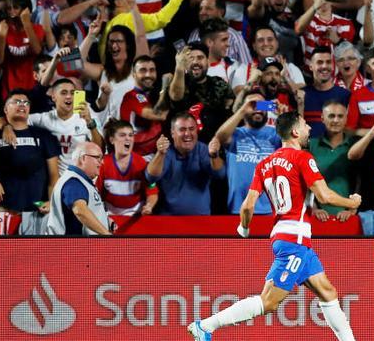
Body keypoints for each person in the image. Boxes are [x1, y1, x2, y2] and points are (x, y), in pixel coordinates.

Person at [187, 111, 361, 341]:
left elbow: (247, 206)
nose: (309, 129)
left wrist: (244, 229)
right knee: (268, 301)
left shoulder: (264, 164)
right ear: (296, 132)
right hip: (294, 240)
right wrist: (352, 202)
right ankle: (206, 326)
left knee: (328, 292)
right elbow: (325, 195)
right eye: (306, 125)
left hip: (287, 237)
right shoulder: (303, 157)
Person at [212, 92, 280, 214]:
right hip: (239, 207)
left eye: (261, 105)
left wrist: (284, 117)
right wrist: (242, 111)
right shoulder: (236, 133)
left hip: (269, 208)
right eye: (252, 105)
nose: (257, 109)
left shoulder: (275, 133)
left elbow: (298, 141)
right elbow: (220, 137)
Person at [146, 112, 225, 215]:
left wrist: (214, 156)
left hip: (201, 220)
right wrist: (160, 153)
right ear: (173, 133)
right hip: (169, 220)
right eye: (182, 130)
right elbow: (151, 177)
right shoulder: (166, 152)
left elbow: (220, 174)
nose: (187, 134)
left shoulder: (203, 150)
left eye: (191, 129)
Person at [45, 141, 113, 235]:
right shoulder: (73, 182)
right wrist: (105, 233)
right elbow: (80, 211)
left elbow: (88, 210)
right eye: (98, 157)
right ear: (83, 158)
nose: (102, 162)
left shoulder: (81, 181)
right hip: (71, 247)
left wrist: (105, 221)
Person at [97, 120, 156, 216]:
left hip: (136, 216)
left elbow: (152, 190)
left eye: (131, 135)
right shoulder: (103, 164)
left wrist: (149, 205)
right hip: (109, 217)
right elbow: (96, 193)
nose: (128, 138)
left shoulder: (142, 163)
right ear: (112, 140)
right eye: (122, 135)